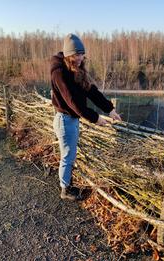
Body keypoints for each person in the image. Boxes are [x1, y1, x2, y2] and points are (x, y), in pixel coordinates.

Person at [50, 33, 122, 201]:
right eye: (78, 55)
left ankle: (67, 184)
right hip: (64, 120)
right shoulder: (59, 73)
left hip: (72, 119)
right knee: (68, 155)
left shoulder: (76, 67)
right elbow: (72, 101)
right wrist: (95, 118)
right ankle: (65, 189)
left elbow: (91, 90)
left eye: (82, 54)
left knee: (70, 154)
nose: (81, 58)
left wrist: (109, 109)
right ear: (69, 55)